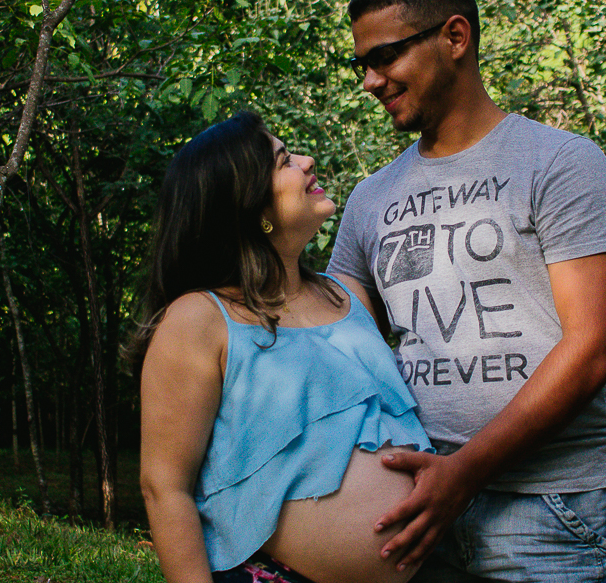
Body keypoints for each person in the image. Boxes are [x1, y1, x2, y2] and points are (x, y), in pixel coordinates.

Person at [327, 0, 606, 583]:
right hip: (417, 507)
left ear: (455, 37)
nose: (370, 80)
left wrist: (463, 474)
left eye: (385, 56)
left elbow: (596, 347)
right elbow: (338, 342)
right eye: (361, 63)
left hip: (551, 512)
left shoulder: (559, 162)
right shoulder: (370, 197)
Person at [130, 111, 433, 583]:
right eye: (284, 161)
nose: (307, 161)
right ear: (250, 206)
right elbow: (164, 487)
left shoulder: (348, 297)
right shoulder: (199, 319)